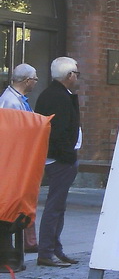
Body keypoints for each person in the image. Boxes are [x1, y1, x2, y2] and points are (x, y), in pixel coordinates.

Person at [33, 57, 82, 267]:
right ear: (69, 75)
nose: (77, 77)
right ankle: (46, 251)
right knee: (55, 206)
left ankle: (54, 248)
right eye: (76, 73)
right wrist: (68, 156)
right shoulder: (58, 97)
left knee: (58, 206)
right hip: (59, 159)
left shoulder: (53, 94)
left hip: (59, 157)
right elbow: (58, 132)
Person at [0, 63, 40, 254]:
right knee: (11, 205)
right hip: (13, 160)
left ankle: (24, 244)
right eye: (35, 78)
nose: (36, 82)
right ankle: (9, 250)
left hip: (21, 159)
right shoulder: (10, 102)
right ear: (27, 81)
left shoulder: (19, 100)